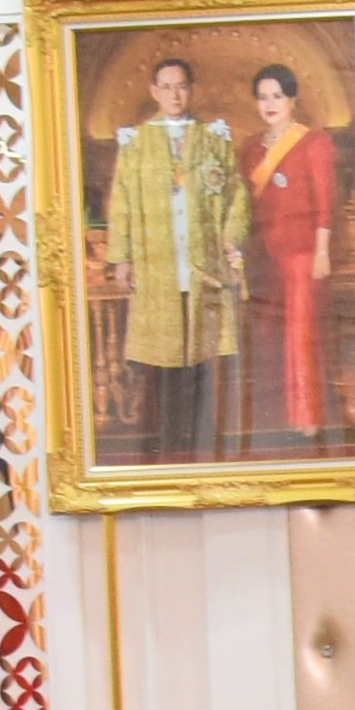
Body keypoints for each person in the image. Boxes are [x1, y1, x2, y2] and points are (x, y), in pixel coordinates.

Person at [100, 50, 248, 450]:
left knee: (201, 353)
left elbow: (236, 194)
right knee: (164, 358)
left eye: (181, 87)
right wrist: (122, 258)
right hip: (158, 265)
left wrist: (230, 239)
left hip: (202, 264)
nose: (175, 95)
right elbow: (122, 201)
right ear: (154, 91)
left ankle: (201, 440)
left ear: (191, 89)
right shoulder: (136, 142)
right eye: (166, 88)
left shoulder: (213, 138)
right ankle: (170, 443)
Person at [246, 58, 355, 454]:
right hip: (264, 260)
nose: (270, 104)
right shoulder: (250, 149)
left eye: (277, 96)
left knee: (301, 335)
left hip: (302, 256)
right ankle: (278, 419)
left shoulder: (313, 143)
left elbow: (325, 200)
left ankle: (307, 419)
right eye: (263, 97)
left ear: (292, 100)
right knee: (270, 338)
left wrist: (322, 251)